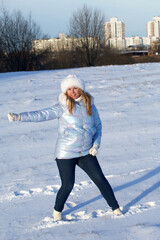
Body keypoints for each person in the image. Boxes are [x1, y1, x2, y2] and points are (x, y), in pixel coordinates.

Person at [8, 74, 122, 221]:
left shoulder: (90, 106)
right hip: (65, 154)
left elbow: (98, 127)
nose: (73, 91)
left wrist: (96, 144)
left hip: (86, 152)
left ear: (81, 89)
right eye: (69, 89)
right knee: (68, 184)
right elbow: (41, 114)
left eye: (75, 88)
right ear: (65, 92)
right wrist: (19, 117)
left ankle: (116, 208)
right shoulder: (62, 107)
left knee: (100, 179)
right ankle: (57, 212)